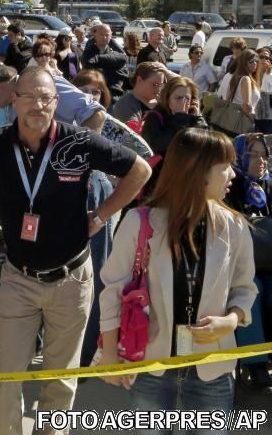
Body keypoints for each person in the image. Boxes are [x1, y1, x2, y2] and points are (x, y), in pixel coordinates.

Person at [0, 67, 151, 435]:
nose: (38, 105)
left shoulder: (79, 141)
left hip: (71, 277)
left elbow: (139, 169)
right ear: (15, 100)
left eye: (46, 98)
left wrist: (103, 215)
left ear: (56, 102)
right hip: (18, 279)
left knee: (60, 380)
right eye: (29, 97)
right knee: (7, 377)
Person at [99, 128, 256, 432]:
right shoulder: (139, 222)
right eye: (224, 165)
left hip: (213, 368)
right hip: (151, 368)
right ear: (196, 170)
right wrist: (108, 354)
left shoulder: (235, 227)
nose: (233, 174)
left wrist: (232, 321)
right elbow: (113, 292)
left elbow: (245, 288)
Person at [225, 134, 272, 393]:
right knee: (252, 290)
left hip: (268, 261)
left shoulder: (268, 186)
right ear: (239, 156)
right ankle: (255, 364)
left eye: (264, 155)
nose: (261, 161)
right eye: (253, 154)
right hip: (238, 263)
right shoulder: (231, 185)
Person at [141, 76, 206, 160]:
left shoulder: (193, 115)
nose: (182, 102)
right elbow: (156, 147)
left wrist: (198, 119)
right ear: (167, 99)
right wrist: (179, 118)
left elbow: (204, 145)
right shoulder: (155, 115)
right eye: (178, 98)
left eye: (187, 98)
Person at [83, 24, 129, 99]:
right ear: (95, 35)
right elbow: (90, 73)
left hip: (114, 95)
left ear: (111, 36)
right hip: (95, 96)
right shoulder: (88, 53)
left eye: (107, 35)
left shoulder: (116, 53)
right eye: (101, 34)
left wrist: (99, 62)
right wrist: (113, 69)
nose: (104, 37)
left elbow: (124, 73)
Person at [218, 49, 261, 117]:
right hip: (241, 119)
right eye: (251, 61)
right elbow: (247, 104)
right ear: (244, 62)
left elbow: (227, 97)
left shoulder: (236, 76)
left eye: (256, 61)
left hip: (232, 116)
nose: (255, 63)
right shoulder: (246, 79)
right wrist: (248, 117)